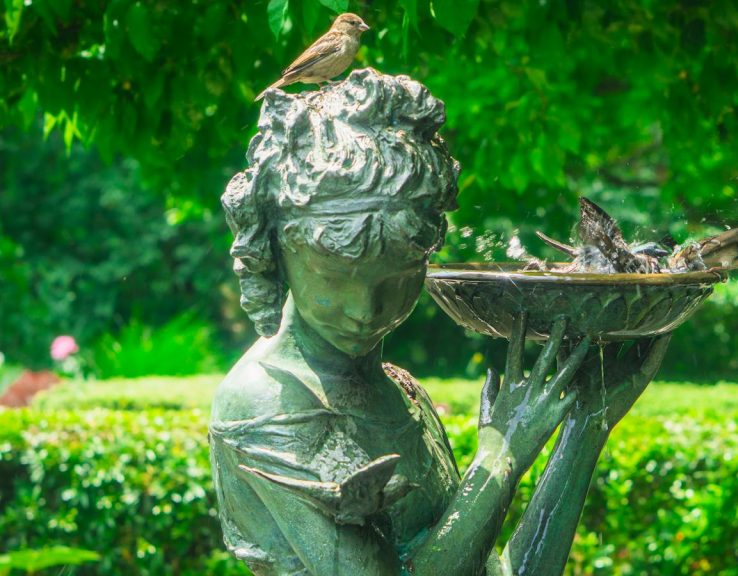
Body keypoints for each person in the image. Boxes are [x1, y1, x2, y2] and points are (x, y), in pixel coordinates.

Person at [210, 69, 669, 576]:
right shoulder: (265, 401)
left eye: (398, 277)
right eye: (335, 278)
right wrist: (499, 458)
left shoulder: (400, 391)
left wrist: (585, 425)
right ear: (276, 253)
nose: (365, 309)